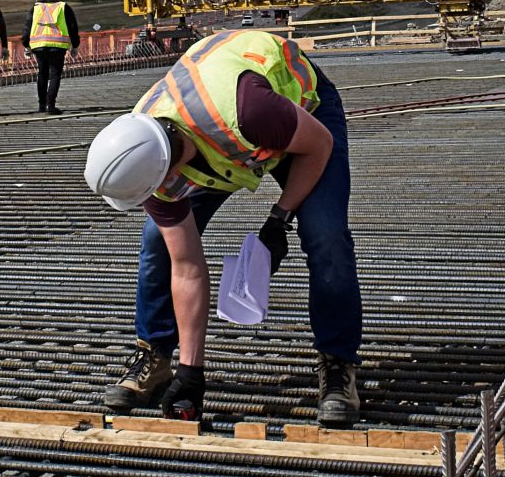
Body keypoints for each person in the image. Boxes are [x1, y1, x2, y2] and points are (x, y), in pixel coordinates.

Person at [83, 30, 363, 427]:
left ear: (170, 165)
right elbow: (187, 267)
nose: (161, 194)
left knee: (326, 234)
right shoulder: (142, 152)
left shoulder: (249, 111)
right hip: (235, 142)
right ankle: (159, 358)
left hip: (303, 117)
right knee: (156, 243)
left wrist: (279, 219)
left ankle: (338, 365)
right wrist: (190, 373)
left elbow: (319, 145)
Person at [21, 0, 80, 114]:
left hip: (39, 46)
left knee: (42, 74)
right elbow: (72, 28)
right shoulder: (63, 7)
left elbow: (27, 26)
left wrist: (26, 44)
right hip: (57, 47)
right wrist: (75, 45)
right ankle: (51, 106)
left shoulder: (35, 7)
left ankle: (42, 105)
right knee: (55, 75)